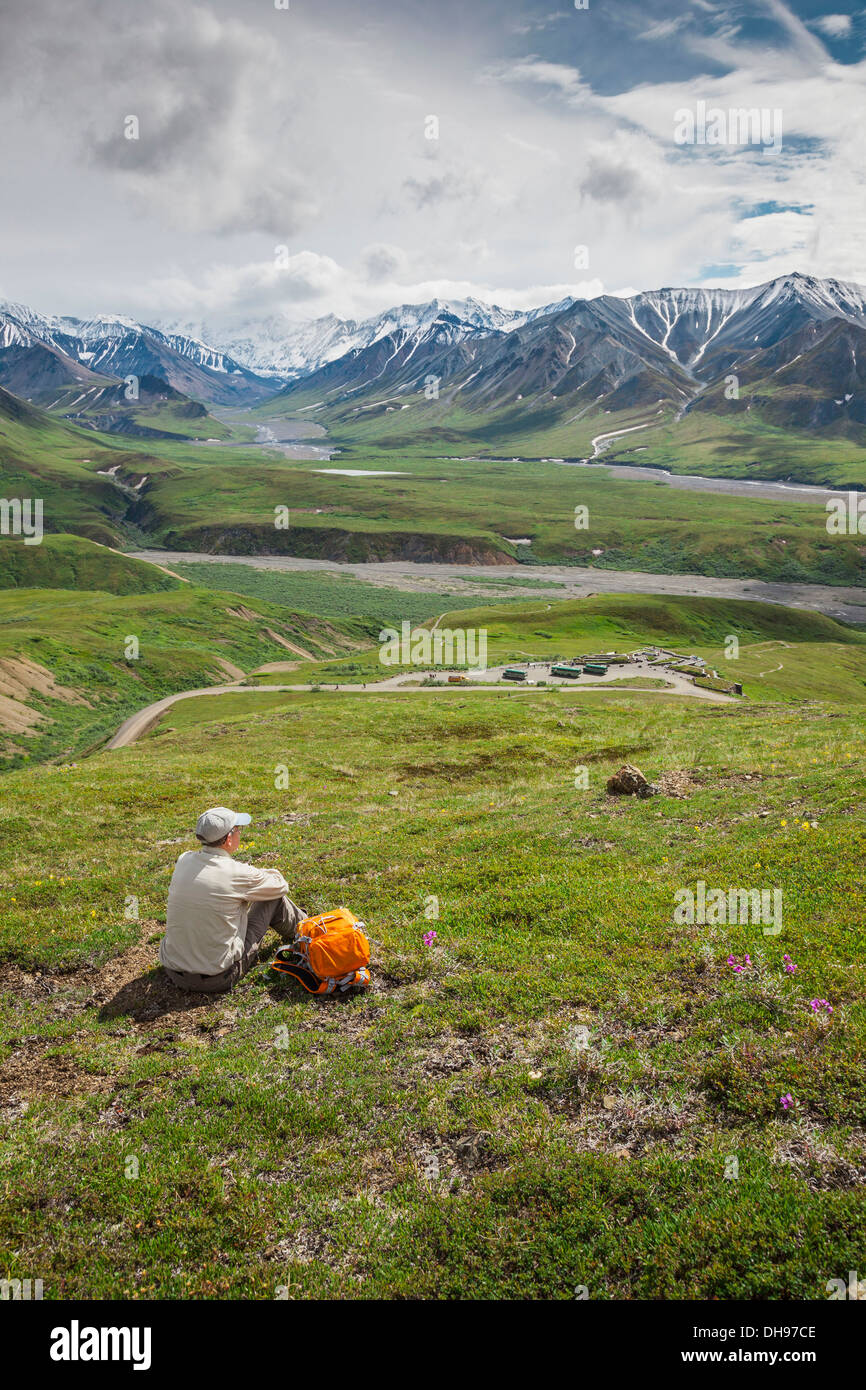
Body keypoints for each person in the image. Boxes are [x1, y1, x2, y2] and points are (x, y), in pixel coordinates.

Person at [160, 806, 307, 994]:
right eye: (238, 829)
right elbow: (280, 886)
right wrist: (258, 873)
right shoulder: (236, 873)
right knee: (273, 899)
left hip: (173, 971)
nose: (240, 833)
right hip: (218, 977)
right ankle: (310, 933)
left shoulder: (184, 860)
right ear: (229, 839)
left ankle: (307, 930)